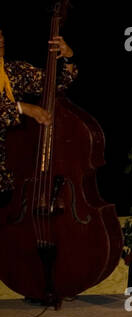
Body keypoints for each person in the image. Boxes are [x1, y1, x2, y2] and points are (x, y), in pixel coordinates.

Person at [0, 27, 75, 204]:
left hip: (10, 179)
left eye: (1, 34)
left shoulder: (12, 71)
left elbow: (54, 85)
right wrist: (21, 107)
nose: (1, 39)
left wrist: (68, 57)